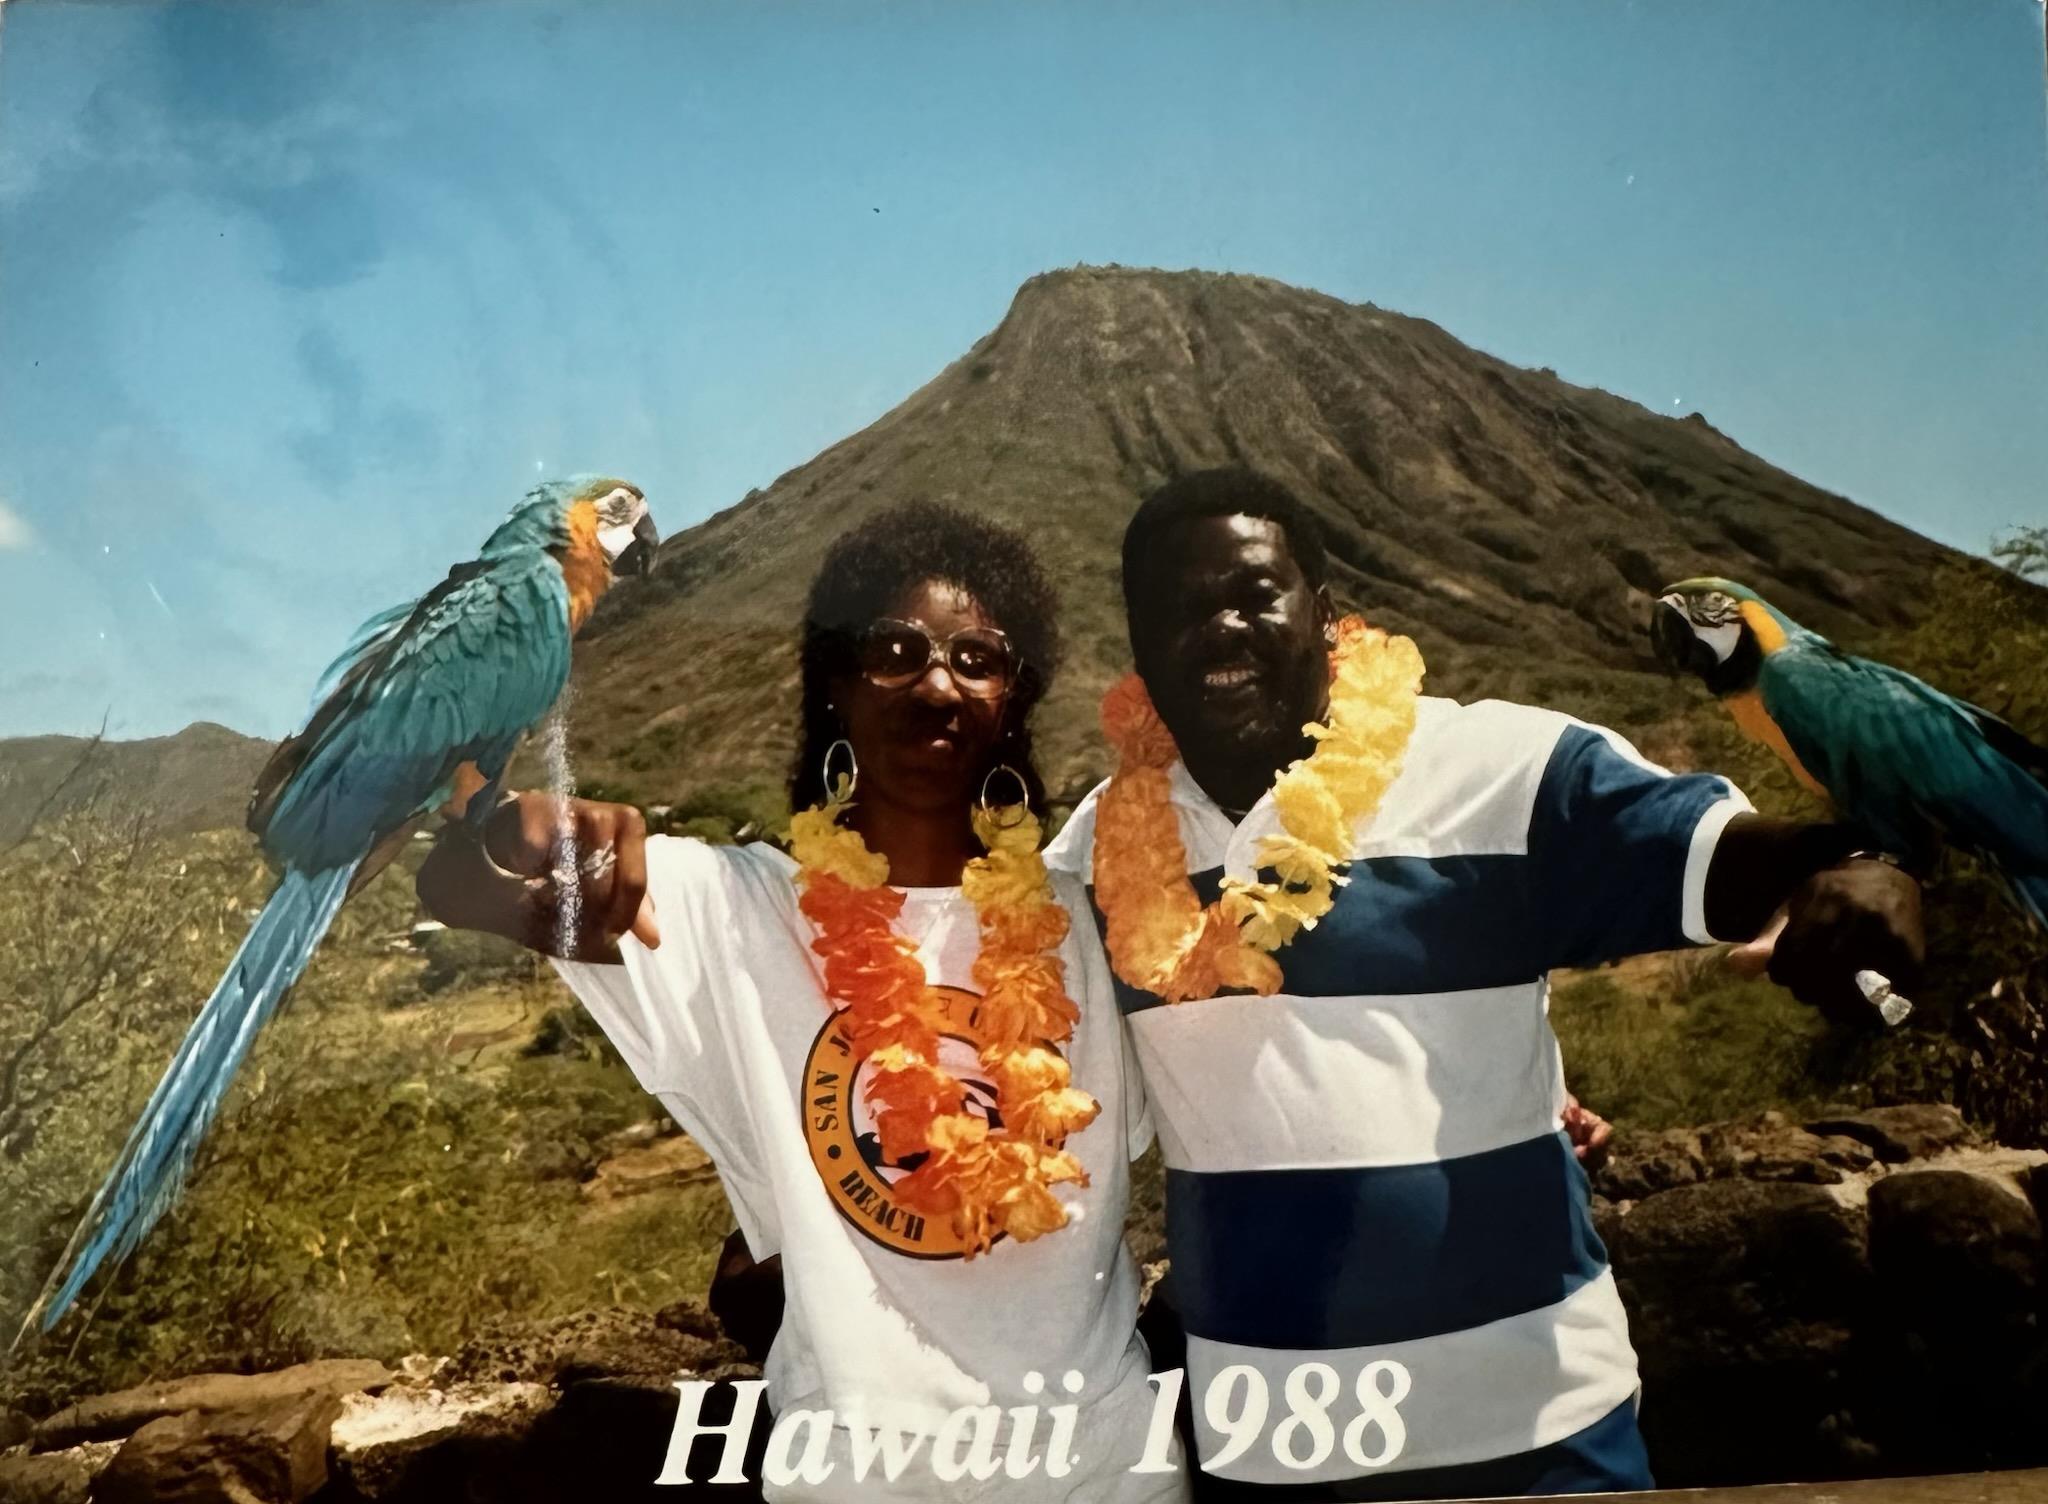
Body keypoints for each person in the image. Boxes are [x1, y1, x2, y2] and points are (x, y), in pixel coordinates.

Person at [1042, 466, 1925, 1502]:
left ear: (1324, 612)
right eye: (1178, 609)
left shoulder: (1500, 769)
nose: (1220, 627)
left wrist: (1857, 860)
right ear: (1138, 647)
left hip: (1539, 1440)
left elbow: (1723, 854)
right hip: (1268, 1454)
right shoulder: (1095, 857)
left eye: (1250, 593)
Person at [416, 502, 1186, 1504]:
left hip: (1107, 1476)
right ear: (835, 680)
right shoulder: (728, 909)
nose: (936, 681)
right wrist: (507, 825)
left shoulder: (1088, 919)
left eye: (977, 658)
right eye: (894, 649)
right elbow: (460, 890)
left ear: (1013, 697)